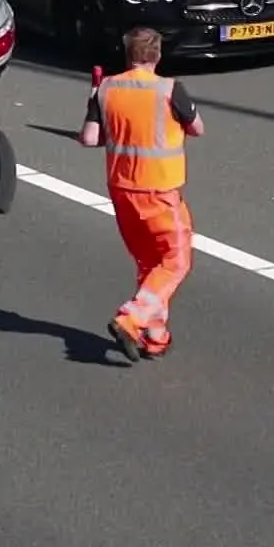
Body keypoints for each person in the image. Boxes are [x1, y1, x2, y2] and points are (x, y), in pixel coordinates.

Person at [78, 26, 205, 364]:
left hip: (121, 191)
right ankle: (131, 319)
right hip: (160, 192)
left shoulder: (106, 88)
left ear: (127, 54)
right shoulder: (169, 89)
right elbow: (197, 128)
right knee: (176, 261)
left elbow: (90, 138)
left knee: (150, 264)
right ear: (158, 55)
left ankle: (155, 336)